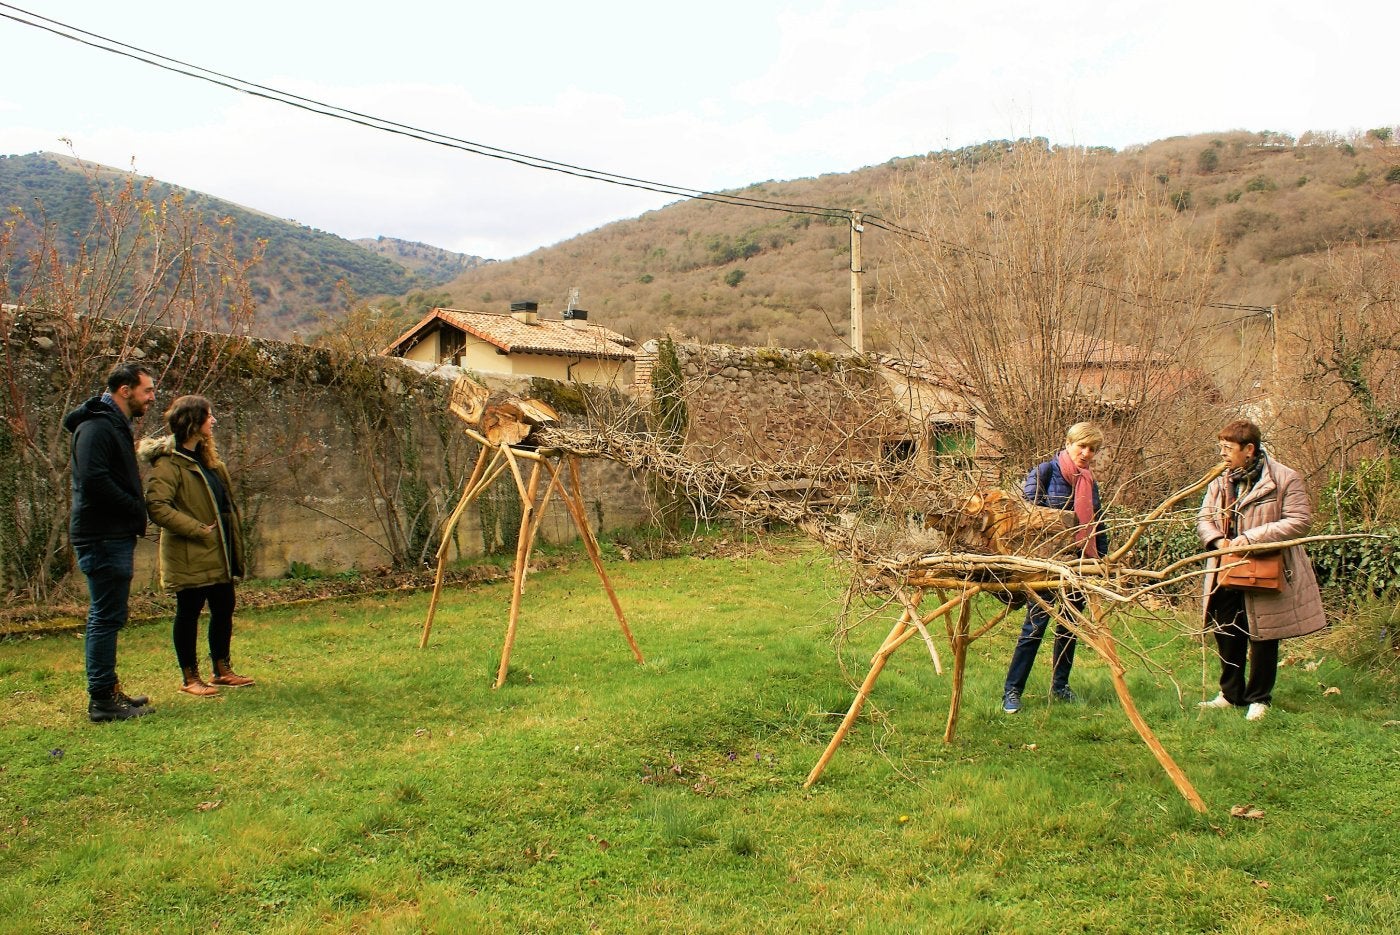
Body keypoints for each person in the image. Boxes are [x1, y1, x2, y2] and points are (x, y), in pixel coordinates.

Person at [1197, 419, 1324, 721]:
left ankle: (1259, 698)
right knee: (1226, 629)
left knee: (1264, 633)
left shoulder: (1284, 479)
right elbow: (1204, 517)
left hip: (1267, 565)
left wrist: (1249, 539)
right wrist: (1217, 541)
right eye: (1221, 448)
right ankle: (1230, 694)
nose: (1223, 455)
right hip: (1226, 566)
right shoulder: (1220, 479)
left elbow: (1298, 521)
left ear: (1249, 449)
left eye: (1228, 449)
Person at [141, 394, 255, 695]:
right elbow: (156, 506)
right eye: (209, 416)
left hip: (218, 552)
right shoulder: (168, 463)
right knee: (189, 612)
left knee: (224, 606)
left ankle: (222, 669)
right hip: (189, 553)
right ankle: (190, 678)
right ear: (192, 421)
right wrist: (197, 529)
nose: (214, 421)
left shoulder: (208, 461)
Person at [64, 361, 157, 722]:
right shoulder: (97, 427)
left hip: (111, 534)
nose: (150, 397)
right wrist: (133, 505)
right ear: (125, 390)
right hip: (102, 536)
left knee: (110, 615)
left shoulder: (112, 424)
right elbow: (93, 480)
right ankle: (102, 699)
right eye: (146, 390)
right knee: (104, 617)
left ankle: (109, 690)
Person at [1001, 421, 1110, 714]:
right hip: (1045, 567)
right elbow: (1025, 519)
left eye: (1092, 449)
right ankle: (1012, 691)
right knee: (1034, 628)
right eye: (1082, 446)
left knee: (1069, 627)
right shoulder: (1044, 473)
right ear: (1068, 443)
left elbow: (1096, 523)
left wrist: (1102, 557)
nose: (1086, 453)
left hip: (1078, 565)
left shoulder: (1089, 482)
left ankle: (1060, 687)